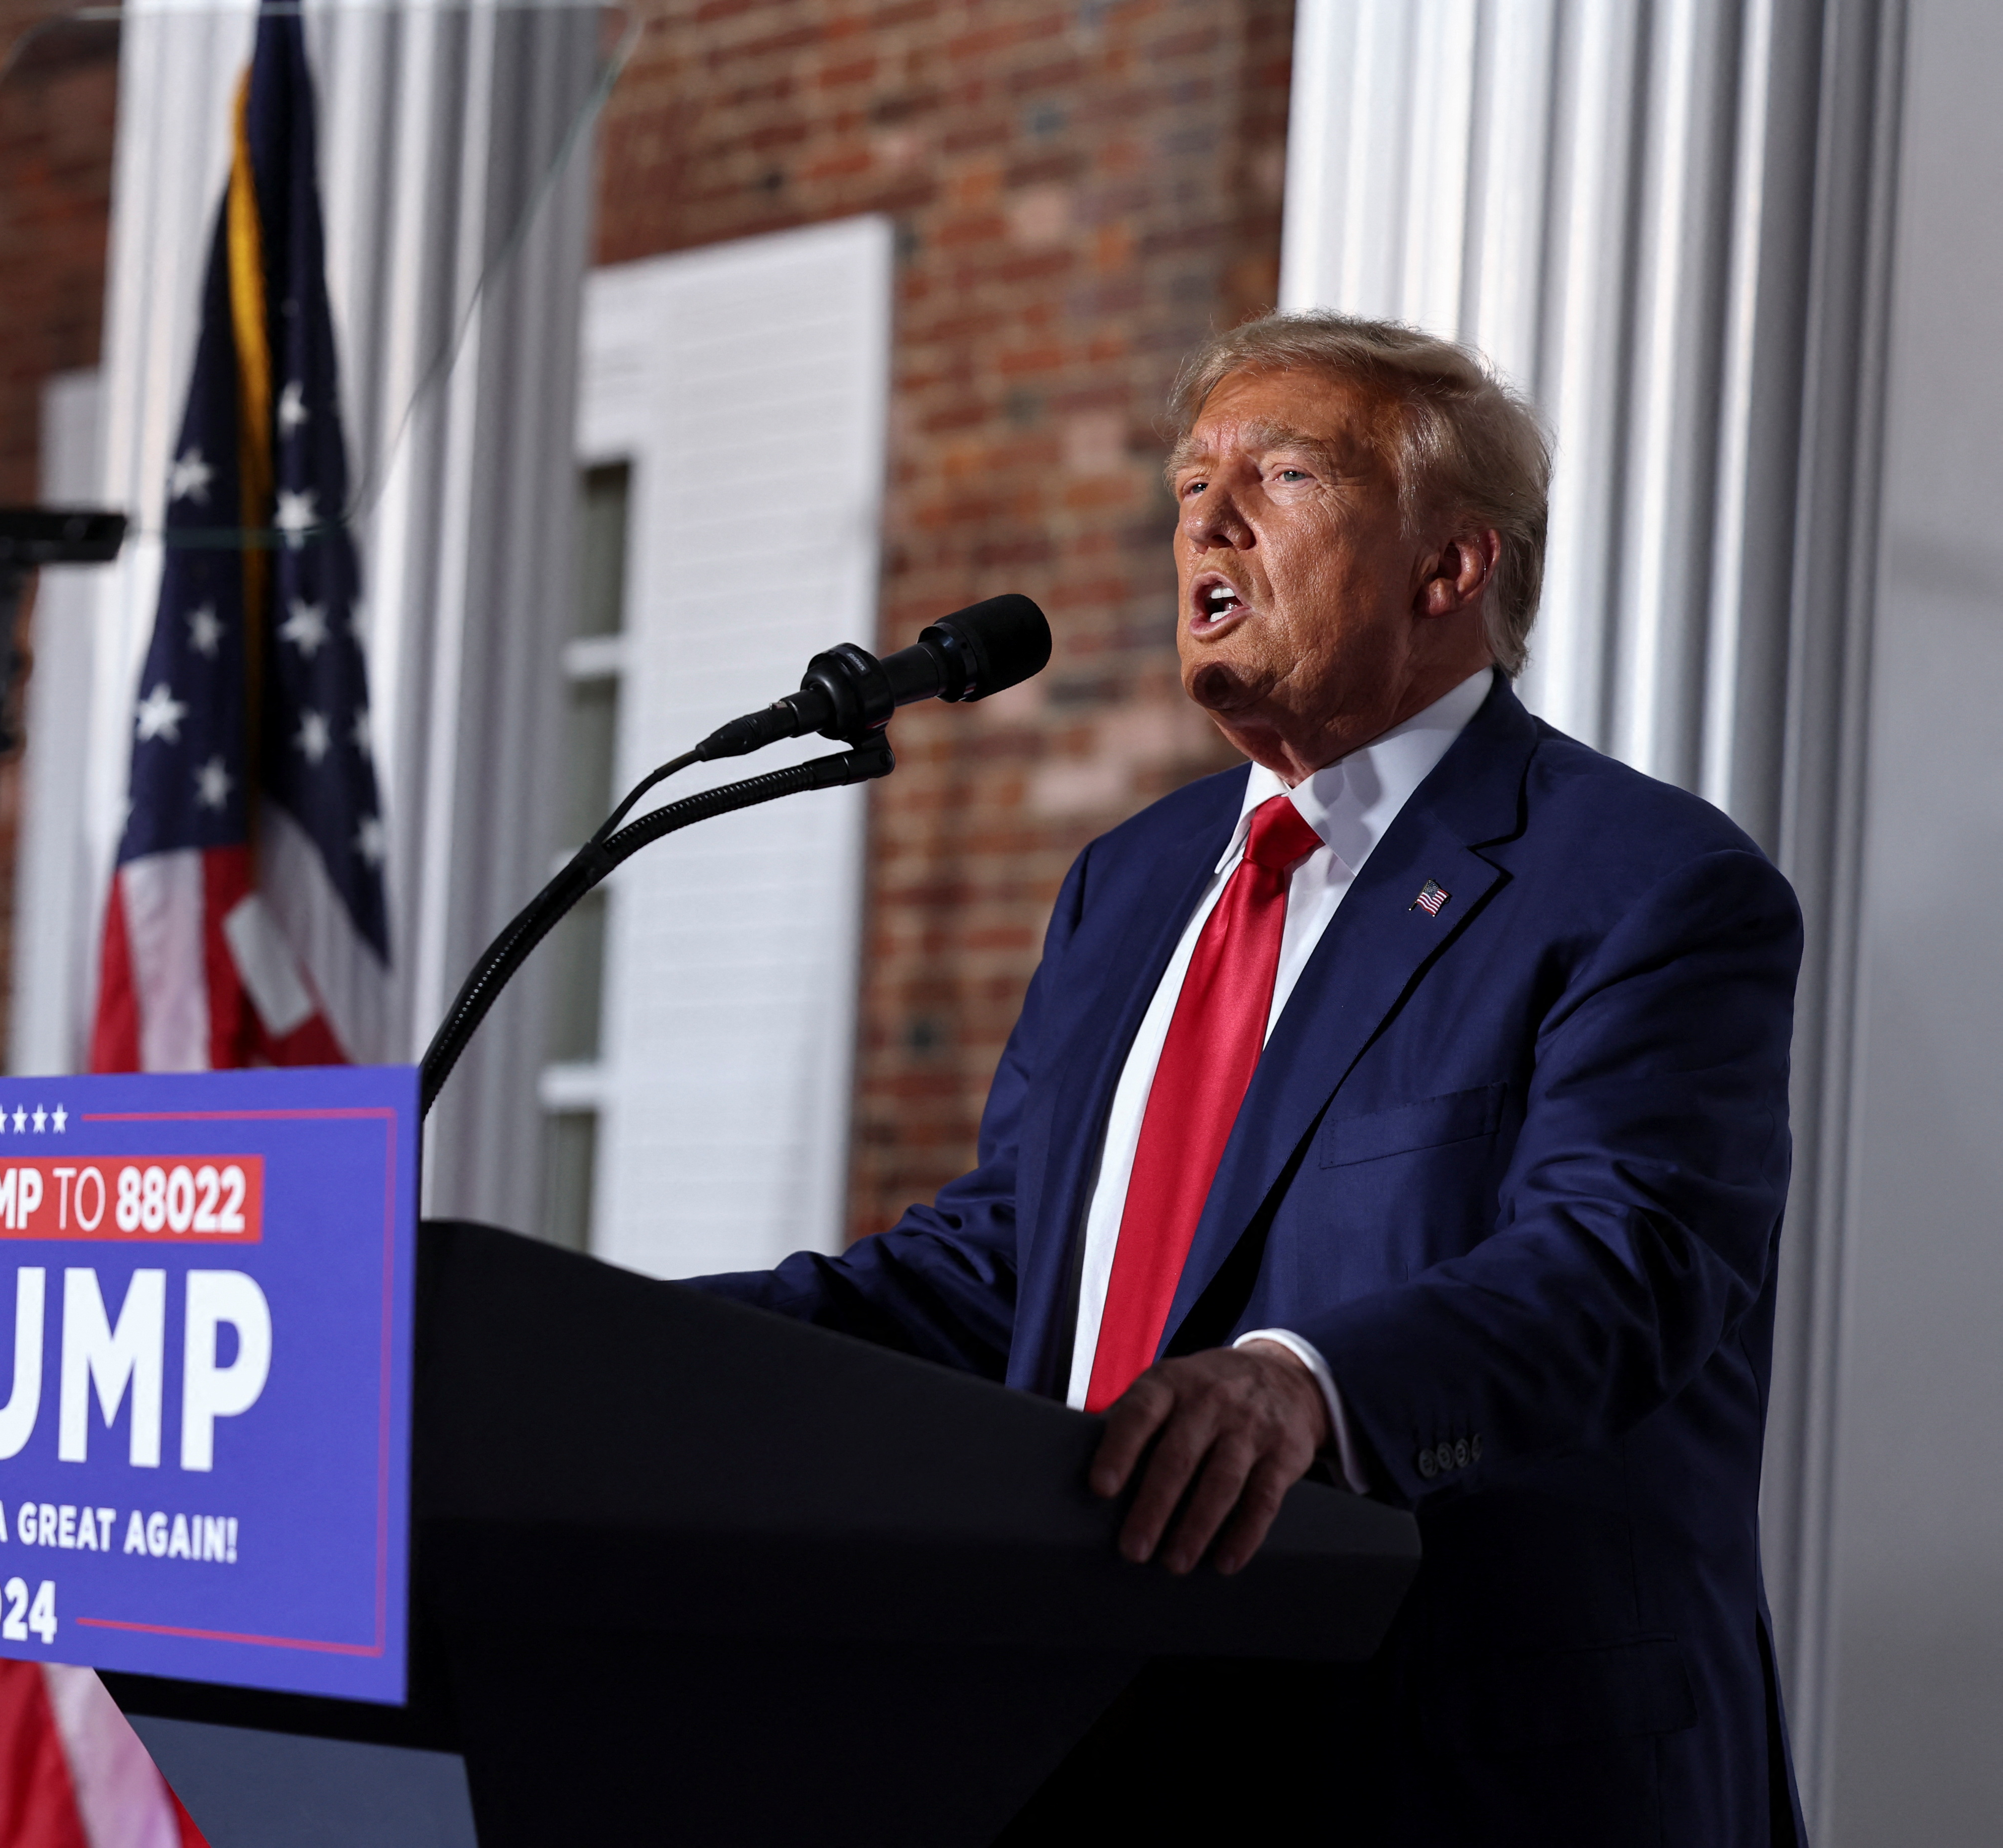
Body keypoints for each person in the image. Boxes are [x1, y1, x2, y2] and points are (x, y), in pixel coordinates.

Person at [692, 312, 1805, 1845]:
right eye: (1187, 482)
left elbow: (1617, 1262)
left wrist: (1305, 1383)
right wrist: (613, 1335)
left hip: (1458, 1767)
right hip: (1086, 1734)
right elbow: (1003, 1270)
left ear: (1449, 568)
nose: (1203, 520)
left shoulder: (1643, 882)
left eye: (1279, 475)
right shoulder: (1131, 883)